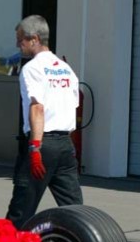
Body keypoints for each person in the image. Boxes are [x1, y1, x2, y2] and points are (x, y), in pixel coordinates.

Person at [5, 15, 83, 229]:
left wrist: (35, 147)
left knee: (21, 210)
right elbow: (72, 106)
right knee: (74, 208)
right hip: (65, 146)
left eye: (21, 39)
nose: (17, 44)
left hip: (42, 145)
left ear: (34, 39)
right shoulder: (67, 69)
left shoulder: (32, 69)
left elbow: (37, 107)